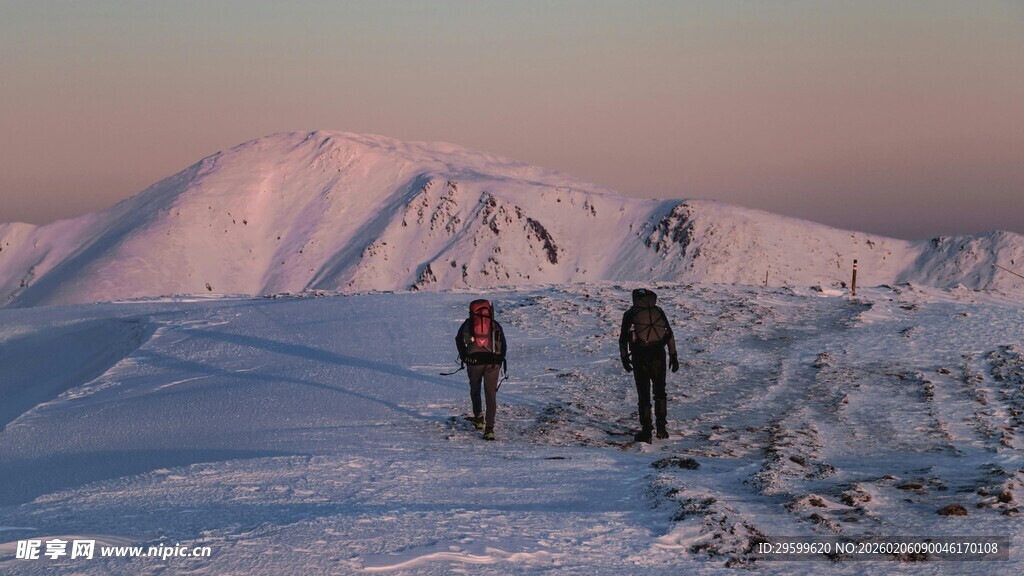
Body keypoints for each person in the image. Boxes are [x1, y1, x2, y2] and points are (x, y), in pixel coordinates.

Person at [619, 288, 679, 443]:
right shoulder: (658, 310)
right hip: (659, 354)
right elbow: (669, 333)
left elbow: (622, 340)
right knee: (660, 392)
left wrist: (625, 358)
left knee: (644, 395)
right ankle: (661, 429)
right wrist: (673, 355)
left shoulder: (630, 314)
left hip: (640, 357)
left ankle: (646, 432)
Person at [456, 299, 507, 441]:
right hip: (493, 363)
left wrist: (465, 357)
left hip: (474, 362)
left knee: (475, 389)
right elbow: (503, 345)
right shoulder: (494, 324)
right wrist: (499, 360)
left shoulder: (468, 324)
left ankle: (478, 419)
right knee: (491, 395)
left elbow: (459, 340)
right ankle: (489, 430)